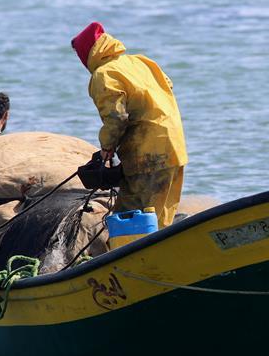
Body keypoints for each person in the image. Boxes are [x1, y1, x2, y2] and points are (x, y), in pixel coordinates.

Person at [71, 22, 187, 228]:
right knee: (161, 218)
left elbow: (116, 117)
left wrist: (107, 147)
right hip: (174, 148)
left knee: (131, 219)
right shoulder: (140, 62)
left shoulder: (104, 74)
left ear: (86, 54)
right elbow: (168, 86)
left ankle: (135, 258)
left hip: (149, 156)